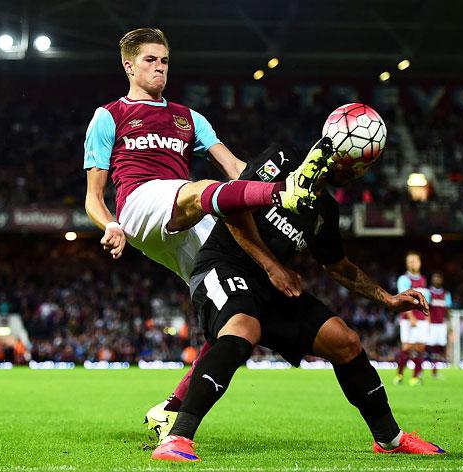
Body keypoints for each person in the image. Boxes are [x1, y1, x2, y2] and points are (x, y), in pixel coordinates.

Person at [148, 144, 445, 461]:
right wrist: (273, 266)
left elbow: (337, 265)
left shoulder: (325, 211)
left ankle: (390, 438)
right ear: (341, 157)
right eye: (360, 165)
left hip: (273, 286)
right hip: (224, 266)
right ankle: (176, 437)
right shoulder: (280, 161)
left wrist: (388, 299)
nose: (361, 173)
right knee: (241, 330)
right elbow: (232, 209)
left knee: (344, 341)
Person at [83, 27, 330, 290]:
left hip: (183, 211)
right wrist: (110, 224)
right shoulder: (109, 115)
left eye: (164, 61)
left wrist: (288, 178)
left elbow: (235, 167)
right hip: (139, 206)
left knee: (238, 284)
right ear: (129, 67)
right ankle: (283, 192)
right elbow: (93, 197)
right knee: (205, 187)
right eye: (151, 60)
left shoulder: (190, 118)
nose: (160, 67)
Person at [394, 251, 430, 386]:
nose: (412, 263)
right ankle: (400, 374)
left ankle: (416, 376)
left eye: (414, 260)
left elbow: (425, 300)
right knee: (407, 346)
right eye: (410, 261)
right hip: (408, 318)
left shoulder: (423, 280)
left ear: (419, 262)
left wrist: (428, 317)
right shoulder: (404, 279)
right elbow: (403, 299)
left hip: (422, 318)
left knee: (421, 347)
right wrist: (411, 317)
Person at [426, 272, 452, 378]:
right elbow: (426, 308)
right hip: (431, 324)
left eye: (438, 278)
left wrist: (450, 327)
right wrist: (426, 322)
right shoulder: (428, 292)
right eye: (434, 278)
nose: (436, 280)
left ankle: (434, 371)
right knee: (427, 347)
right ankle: (420, 369)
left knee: (438, 349)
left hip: (441, 325)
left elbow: (448, 311)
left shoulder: (446, 294)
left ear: (441, 280)